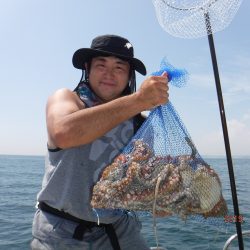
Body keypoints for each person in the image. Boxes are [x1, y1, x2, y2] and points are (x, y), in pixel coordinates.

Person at [31, 34, 169, 250]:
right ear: (88, 68)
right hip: (61, 229)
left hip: (118, 226)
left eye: (119, 68)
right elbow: (64, 133)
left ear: (129, 75)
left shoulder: (141, 125)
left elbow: (144, 183)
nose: (109, 74)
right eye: (101, 65)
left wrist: (161, 198)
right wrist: (140, 100)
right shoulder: (67, 99)